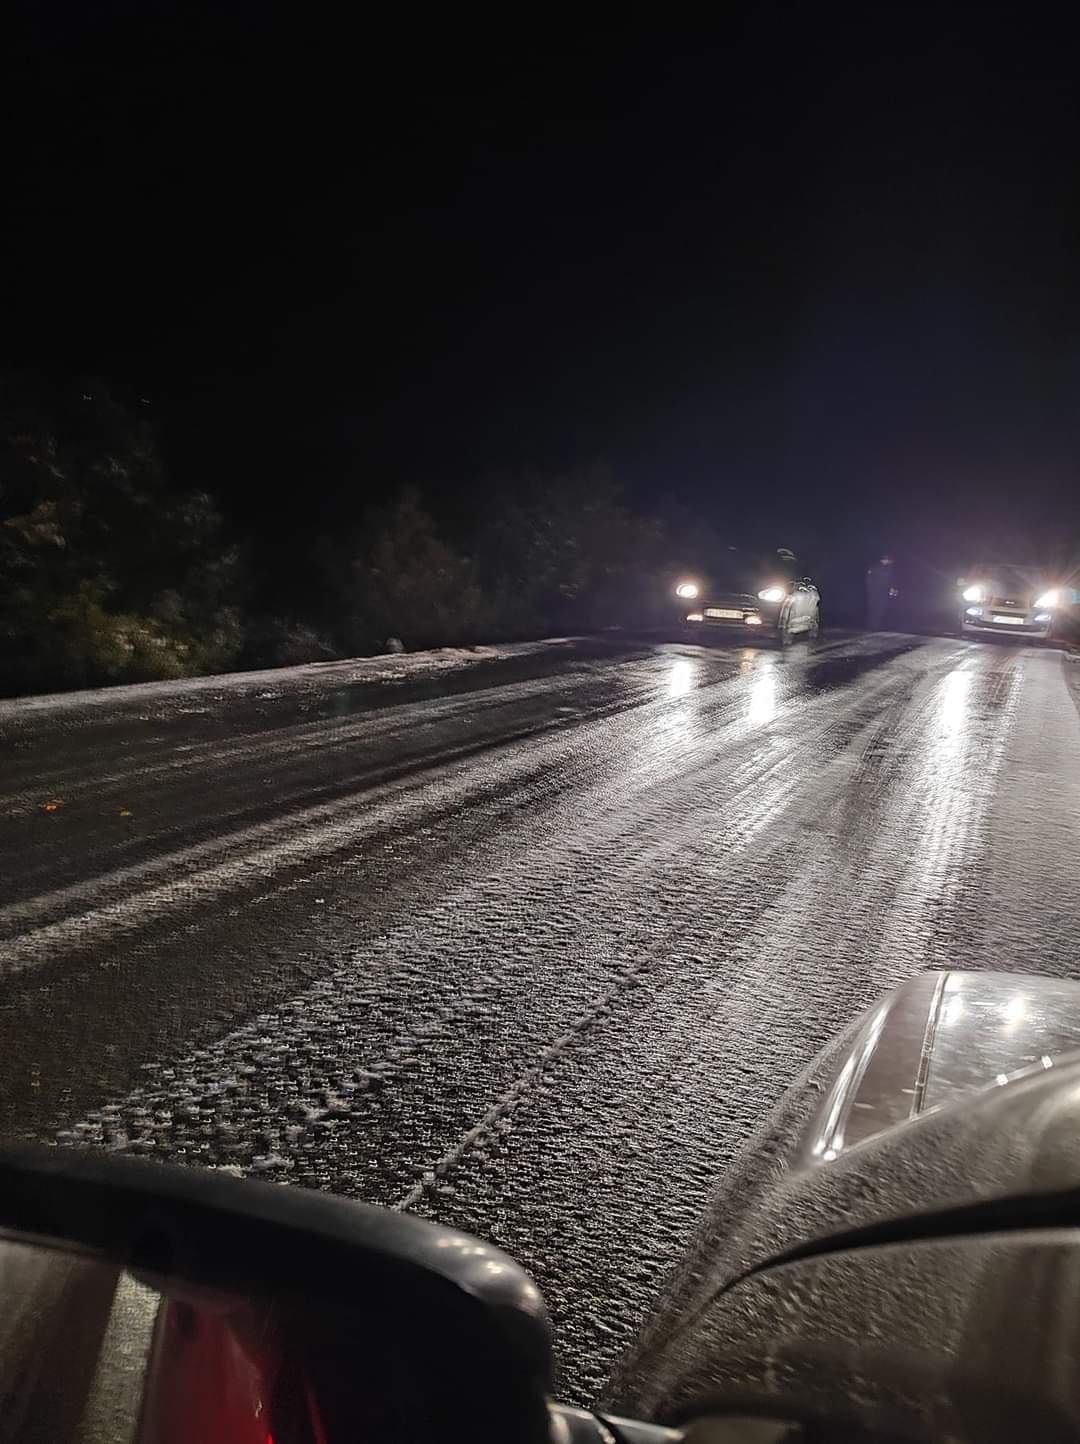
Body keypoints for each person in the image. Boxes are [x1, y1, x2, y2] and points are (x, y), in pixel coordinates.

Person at [865, 555, 898, 630]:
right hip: (875, 592)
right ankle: (872, 627)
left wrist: (893, 594)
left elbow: (893, 582)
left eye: (888, 560)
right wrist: (870, 591)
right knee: (873, 610)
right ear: (882, 560)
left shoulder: (890, 569)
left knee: (881, 610)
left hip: (883, 593)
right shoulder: (875, 567)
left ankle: (876, 626)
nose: (888, 561)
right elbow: (868, 580)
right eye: (886, 560)